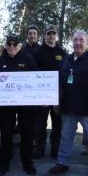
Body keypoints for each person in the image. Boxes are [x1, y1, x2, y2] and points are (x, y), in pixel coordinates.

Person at [49, 30, 88, 176]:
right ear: (72, 42)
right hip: (68, 107)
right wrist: (57, 102)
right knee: (66, 137)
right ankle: (62, 162)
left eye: (81, 40)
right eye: (75, 40)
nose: (78, 43)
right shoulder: (66, 60)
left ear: (87, 43)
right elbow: (60, 83)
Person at [0, 35, 38, 176]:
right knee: (6, 134)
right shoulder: (0, 62)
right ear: (5, 45)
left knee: (27, 134)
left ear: (19, 46)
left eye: (15, 44)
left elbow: (36, 80)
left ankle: (27, 163)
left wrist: (41, 97)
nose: (12, 46)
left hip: (25, 104)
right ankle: (4, 164)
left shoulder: (28, 59)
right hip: (7, 105)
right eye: (9, 44)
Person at [32, 24, 67, 159]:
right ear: (45, 35)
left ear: (56, 35)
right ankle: (39, 148)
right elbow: (33, 72)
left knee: (57, 124)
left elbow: (65, 72)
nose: (51, 36)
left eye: (53, 33)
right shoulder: (38, 52)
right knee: (40, 124)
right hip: (41, 95)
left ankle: (55, 149)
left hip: (57, 94)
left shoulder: (62, 52)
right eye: (48, 33)